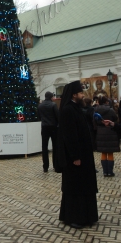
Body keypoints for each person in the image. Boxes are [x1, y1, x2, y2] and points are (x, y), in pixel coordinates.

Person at [58, 81, 98, 229]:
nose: (83, 95)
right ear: (74, 95)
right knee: (76, 187)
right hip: (75, 158)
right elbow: (70, 136)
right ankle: (75, 217)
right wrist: (75, 156)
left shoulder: (76, 109)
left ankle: (87, 216)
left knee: (84, 185)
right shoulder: (68, 110)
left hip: (84, 156)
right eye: (81, 93)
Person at [94, 96, 119, 177]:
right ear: (106, 102)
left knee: (104, 152)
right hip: (110, 131)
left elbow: (94, 121)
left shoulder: (96, 109)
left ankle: (105, 171)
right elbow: (115, 118)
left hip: (100, 132)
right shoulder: (111, 110)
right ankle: (110, 172)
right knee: (110, 152)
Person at [38, 91, 59, 172]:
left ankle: (45, 166)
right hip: (53, 127)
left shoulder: (40, 106)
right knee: (55, 147)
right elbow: (57, 116)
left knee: (44, 147)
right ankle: (55, 165)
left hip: (44, 127)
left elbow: (39, 116)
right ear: (51, 97)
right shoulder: (53, 105)